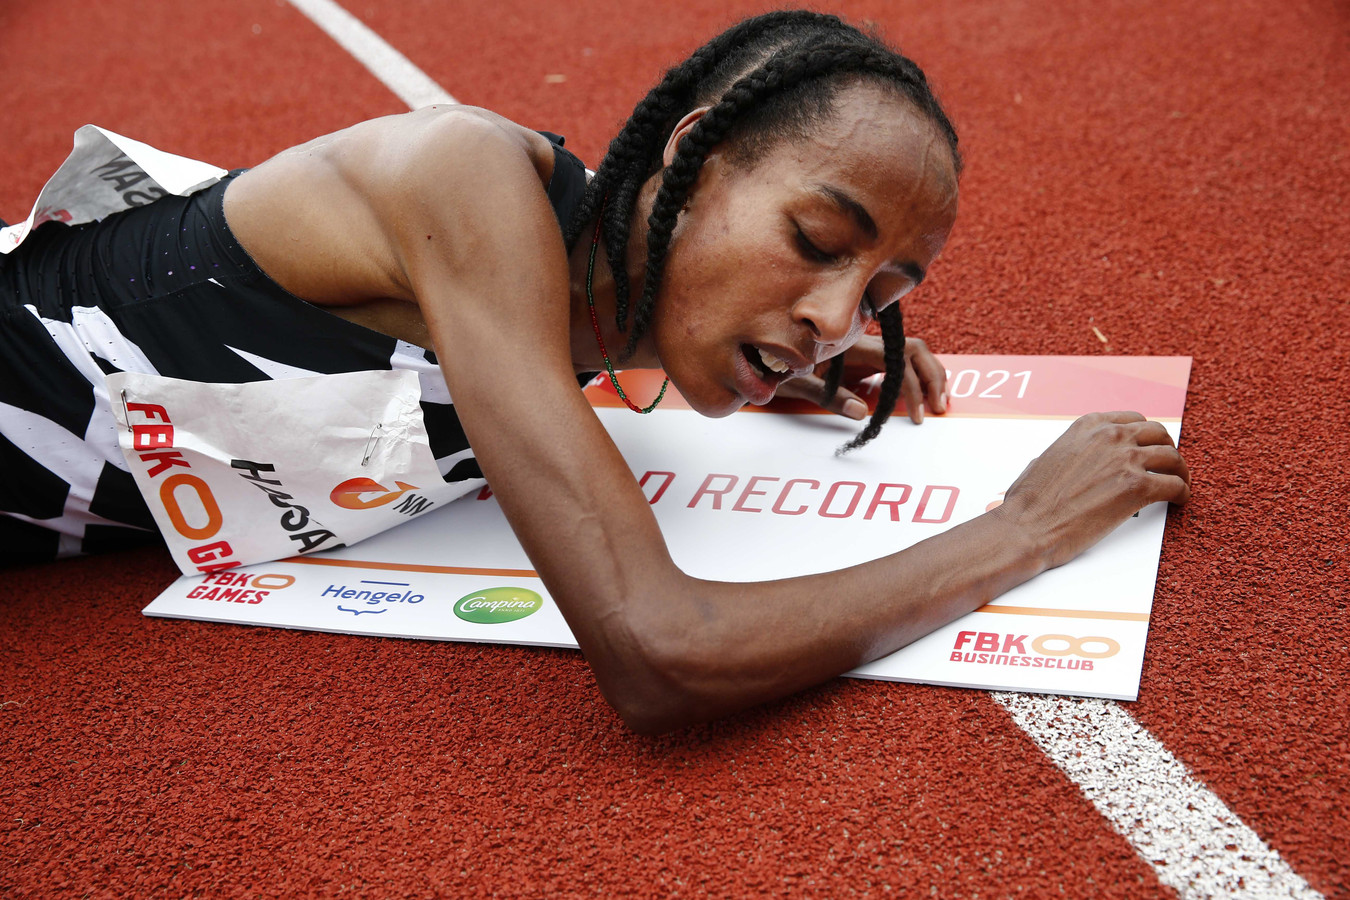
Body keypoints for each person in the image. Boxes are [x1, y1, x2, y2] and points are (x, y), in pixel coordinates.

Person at [0, 11, 1189, 731]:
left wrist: (768, 351)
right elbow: (660, 652)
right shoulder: (464, 180)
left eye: (879, 298)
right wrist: (1025, 528)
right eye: (816, 246)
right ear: (690, 157)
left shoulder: (578, 300)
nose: (839, 316)